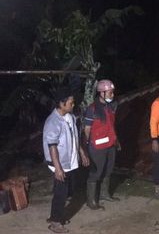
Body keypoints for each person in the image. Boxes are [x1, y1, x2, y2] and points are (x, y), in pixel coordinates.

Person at [43, 87, 90, 233]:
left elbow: (74, 138)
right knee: (61, 193)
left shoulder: (70, 117)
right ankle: (56, 223)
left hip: (70, 161)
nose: (73, 104)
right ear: (61, 104)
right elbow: (52, 147)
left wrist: (81, 153)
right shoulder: (53, 122)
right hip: (60, 163)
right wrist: (58, 168)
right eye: (71, 102)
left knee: (65, 191)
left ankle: (54, 216)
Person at [83, 79, 121, 210]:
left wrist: (116, 141)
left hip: (110, 144)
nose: (112, 95)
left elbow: (111, 126)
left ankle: (105, 194)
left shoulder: (111, 106)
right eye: (110, 93)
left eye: (112, 92)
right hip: (97, 147)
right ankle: (91, 201)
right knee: (96, 173)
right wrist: (86, 147)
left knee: (108, 170)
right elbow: (87, 130)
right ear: (102, 93)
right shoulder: (92, 109)